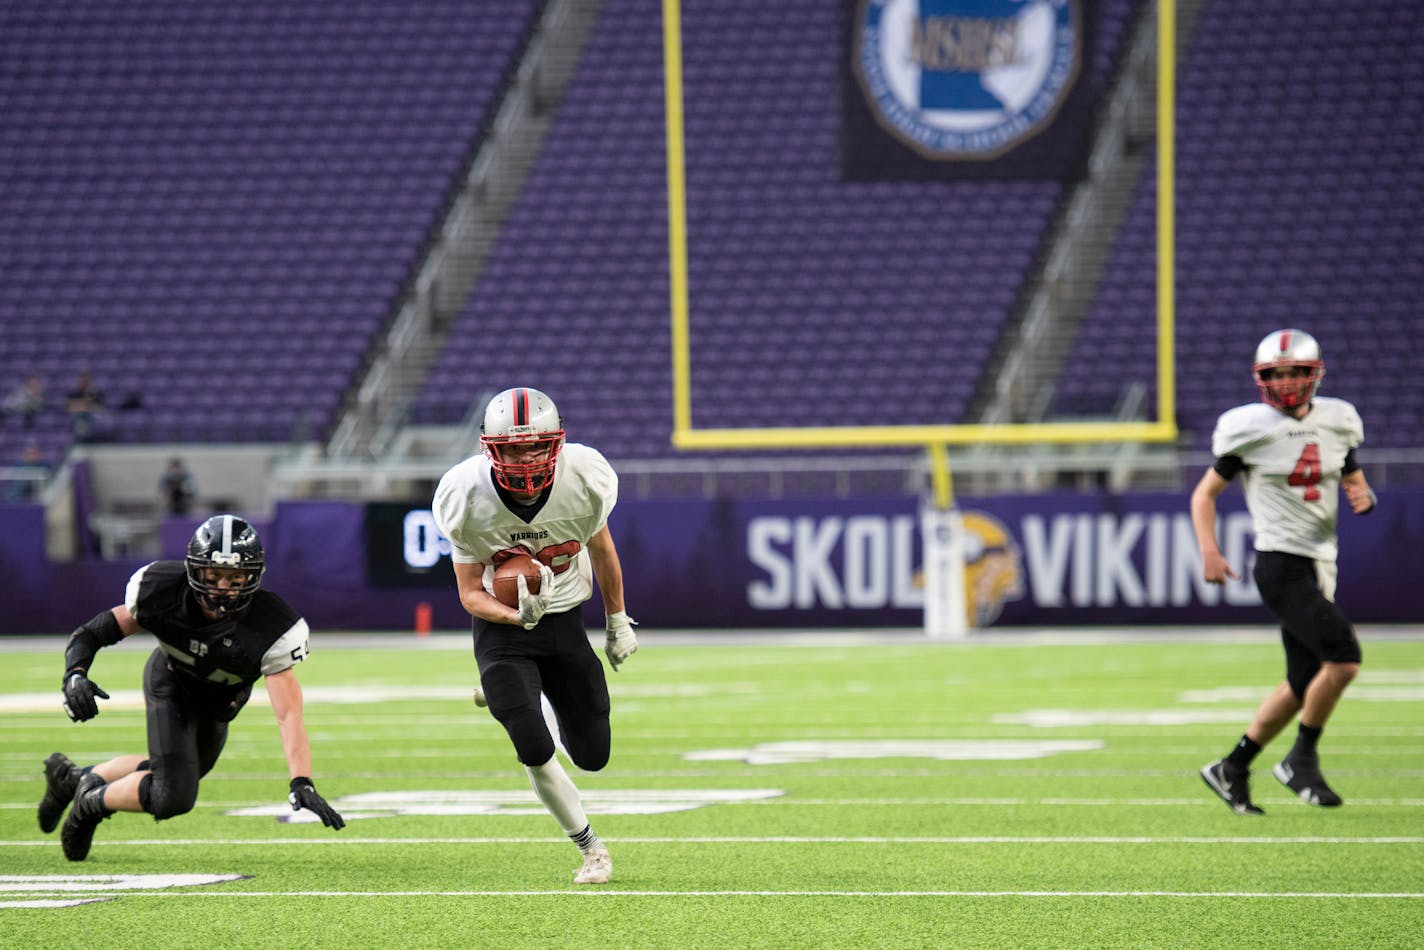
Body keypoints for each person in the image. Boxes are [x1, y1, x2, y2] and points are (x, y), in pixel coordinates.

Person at [38, 514, 345, 861]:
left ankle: (72, 778)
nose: (222, 588)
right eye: (213, 576)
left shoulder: (272, 626)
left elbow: (288, 713)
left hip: (219, 704)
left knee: (180, 773)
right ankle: (89, 804)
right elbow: (93, 632)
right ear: (195, 571)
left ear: (253, 577)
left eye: (235, 578)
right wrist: (75, 674)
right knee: (174, 795)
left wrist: (301, 780)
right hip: (171, 683)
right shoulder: (161, 590)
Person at [432, 387, 638, 885]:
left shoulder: (584, 476)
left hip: (565, 619)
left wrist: (617, 621)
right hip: (503, 630)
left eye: (536, 446)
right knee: (529, 736)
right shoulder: (464, 494)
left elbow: (604, 552)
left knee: (593, 755)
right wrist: (513, 615)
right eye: (513, 448)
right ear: (490, 449)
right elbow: (468, 593)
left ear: (557, 443)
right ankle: (590, 848)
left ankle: (523, 690)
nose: (526, 458)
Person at [1191, 329, 1376, 815]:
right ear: (1262, 378)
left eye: (1296, 371)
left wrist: (1360, 491)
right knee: (1344, 657)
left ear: (1314, 374)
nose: (1287, 381)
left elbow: (1348, 466)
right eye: (1277, 373)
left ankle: (1232, 766)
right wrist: (1209, 549)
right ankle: (1301, 759)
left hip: (1320, 561)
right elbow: (1204, 494)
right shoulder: (1250, 427)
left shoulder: (1338, 419)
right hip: (1280, 563)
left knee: (1302, 680)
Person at [65, 370, 105, 439]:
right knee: (79, 418)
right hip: (79, 417)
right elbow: (69, 407)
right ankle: (83, 438)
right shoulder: (73, 394)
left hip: (92, 416)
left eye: (86, 381)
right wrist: (86, 405)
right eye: (82, 381)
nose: (84, 383)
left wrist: (82, 405)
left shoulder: (96, 394)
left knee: (98, 417)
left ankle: (96, 437)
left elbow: (100, 408)